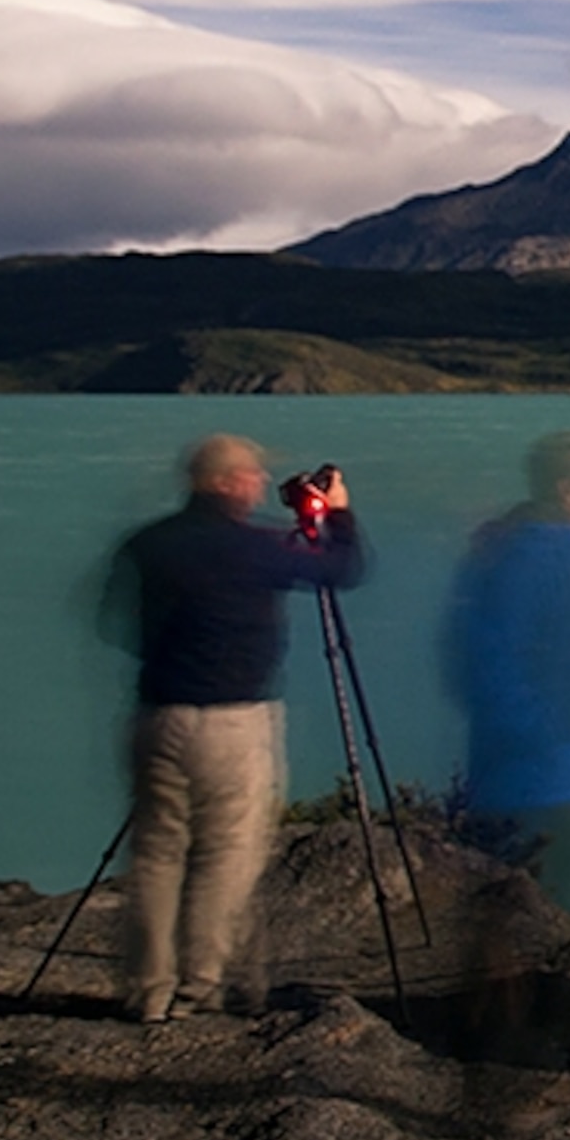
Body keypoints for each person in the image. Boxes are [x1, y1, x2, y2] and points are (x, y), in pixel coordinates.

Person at [101, 434, 368, 1023]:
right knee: (227, 855)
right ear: (222, 482)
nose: (258, 484)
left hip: (156, 715)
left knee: (156, 855)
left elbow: (109, 623)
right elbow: (341, 570)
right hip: (232, 723)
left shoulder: (149, 543)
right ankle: (199, 990)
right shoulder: (255, 548)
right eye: (249, 475)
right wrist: (339, 513)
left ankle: (147, 992)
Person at [441, 432, 570, 919]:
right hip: (552, 780)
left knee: (531, 922)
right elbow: (487, 665)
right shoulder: (536, 559)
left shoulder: (513, 551)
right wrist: (567, 733)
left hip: (568, 770)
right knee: (553, 920)